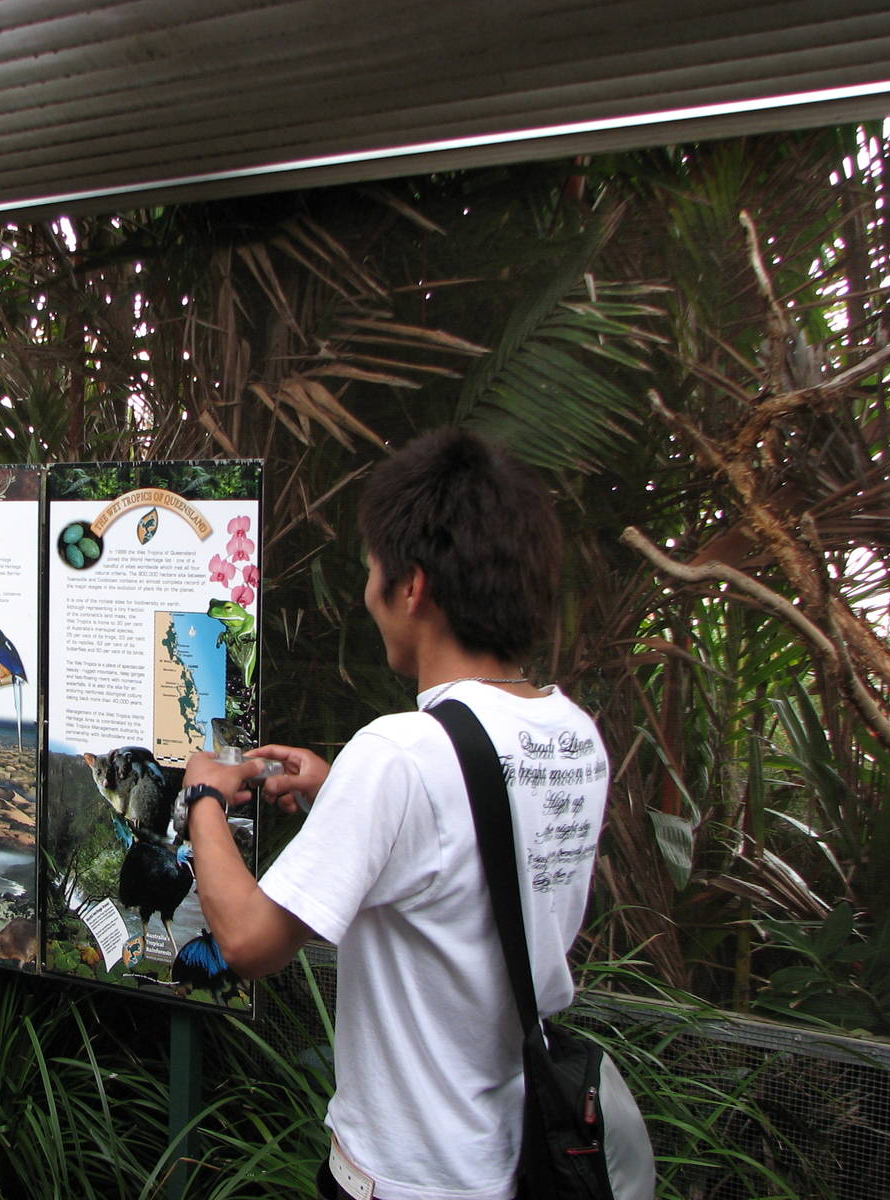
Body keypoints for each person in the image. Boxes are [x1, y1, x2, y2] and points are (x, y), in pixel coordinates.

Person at [182, 429, 608, 1200]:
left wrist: (204, 797)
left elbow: (247, 942)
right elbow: (473, 851)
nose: (366, 595)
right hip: (511, 1158)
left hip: (404, 1175)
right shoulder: (575, 737)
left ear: (412, 587)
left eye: (372, 571)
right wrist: (337, 787)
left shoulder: (403, 755)